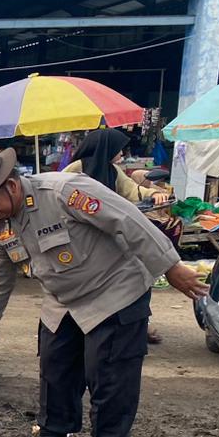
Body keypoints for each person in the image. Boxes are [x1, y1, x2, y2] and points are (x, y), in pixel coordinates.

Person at [0, 149, 208, 437]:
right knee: (55, 371)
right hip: (62, 301)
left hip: (114, 291)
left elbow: (128, 220)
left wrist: (171, 267)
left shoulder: (65, 191)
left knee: (109, 377)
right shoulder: (1, 227)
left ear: (11, 186)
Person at [65, 128, 183, 341]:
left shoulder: (113, 171)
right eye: (118, 149)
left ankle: (138, 324)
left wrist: (155, 194)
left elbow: (132, 191)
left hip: (112, 233)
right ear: (106, 148)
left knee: (137, 275)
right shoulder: (76, 169)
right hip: (81, 237)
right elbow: (60, 195)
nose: (122, 153)